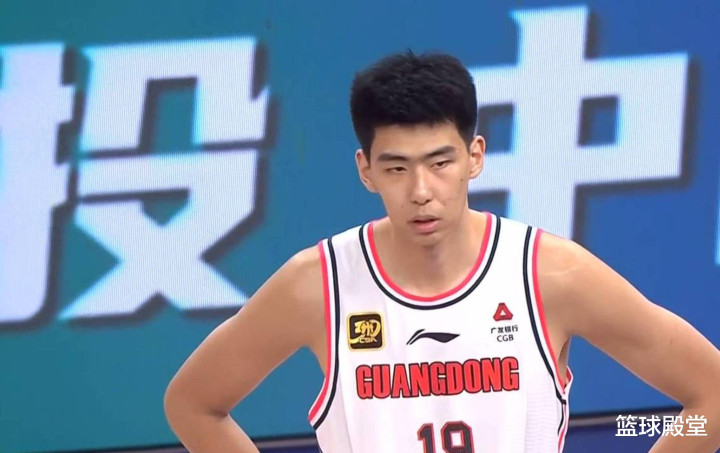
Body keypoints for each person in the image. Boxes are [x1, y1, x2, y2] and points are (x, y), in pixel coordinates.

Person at [163, 51, 720, 453]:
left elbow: (711, 397)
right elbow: (192, 404)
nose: (421, 190)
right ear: (365, 170)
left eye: (440, 162)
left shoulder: (551, 274)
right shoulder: (319, 285)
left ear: (475, 156)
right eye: (396, 168)